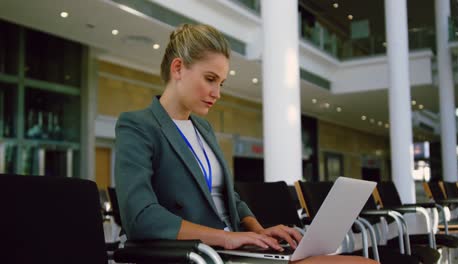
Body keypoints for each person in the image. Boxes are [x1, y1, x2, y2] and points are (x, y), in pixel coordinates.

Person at [115, 23, 377, 264]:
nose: (217, 93)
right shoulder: (138, 126)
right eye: (210, 79)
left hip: (235, 250)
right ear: (178, 68)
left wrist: (258, 230)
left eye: (221, 83)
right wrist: (226, 237)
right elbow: (141, 217)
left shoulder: (202, 128)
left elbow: (232, 198)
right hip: (202, 255)